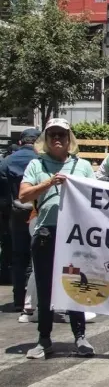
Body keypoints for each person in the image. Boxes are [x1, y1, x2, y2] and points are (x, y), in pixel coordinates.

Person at [19, 118, 98, 359]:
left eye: (61, 135)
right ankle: (44, 340)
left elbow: (96, 198)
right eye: (52, 134)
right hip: (46, 233)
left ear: (68, 139)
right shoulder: (36, 164)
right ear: (46, 139)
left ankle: (80, 337)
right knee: (45, 289)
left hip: (74, 236)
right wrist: (49, 182)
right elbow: (23, 195)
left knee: (76, 287)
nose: (57, 139)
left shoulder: (83, 166)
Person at [0, 128, 39, 317]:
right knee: (39, 256)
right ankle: (33, 301)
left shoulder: (7, 161)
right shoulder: (43, 160)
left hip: (16, 212)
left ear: (21, 142)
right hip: (39, 212)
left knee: (18, 256)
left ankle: (18, 300)